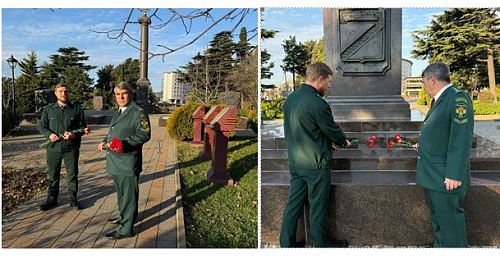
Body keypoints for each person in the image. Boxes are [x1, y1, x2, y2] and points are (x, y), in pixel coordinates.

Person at [279, 62, 351, 248]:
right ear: (320, 79)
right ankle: (321, 245)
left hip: (296, 163)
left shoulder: (291, 99)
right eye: (329, 81)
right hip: (316, 165)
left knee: (293, 205)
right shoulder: (318, 104)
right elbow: (331, 129)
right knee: (318, 209)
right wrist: (342, 141)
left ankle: (286, 245)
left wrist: (326, 144)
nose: (329, 85)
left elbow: (306, 130)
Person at [416, 62, 474, 247]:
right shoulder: (440, 99)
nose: (424, 87)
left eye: (424, 82)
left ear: (432, 80)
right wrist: (424, 144)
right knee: (439, 221)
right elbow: (441, 132)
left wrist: (454, 174)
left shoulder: (457, 99)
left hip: (445, 177)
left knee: (450, 224)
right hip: (433, 175)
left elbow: (461, 138)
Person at [98, 82, 151, 240]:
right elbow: (113, 132)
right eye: (117, 94)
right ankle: (123, 217)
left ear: (131, 94)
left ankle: (125, 229)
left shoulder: (138, 112)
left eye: (124, 94)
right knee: (121, 194)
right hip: (115, 160)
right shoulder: (119, 111)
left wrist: (124, 144)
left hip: (127, 161)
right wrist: (104, 141)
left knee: (128, 196)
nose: (120, 97)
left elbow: (143, 135)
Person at [38, 83, 87, 211]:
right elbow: (42, 126)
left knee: (72, 175)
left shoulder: (77, 109)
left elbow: (83, 128)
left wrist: (73, 134)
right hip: (53, 148)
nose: (63, 94)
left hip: (70, 148)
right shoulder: (48, 110)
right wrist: (49, 135)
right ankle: (52, 199)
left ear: (68, 93)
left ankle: (73, 199)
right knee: (53, 175)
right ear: (56, 93)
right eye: (60, 91)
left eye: (66, 91)